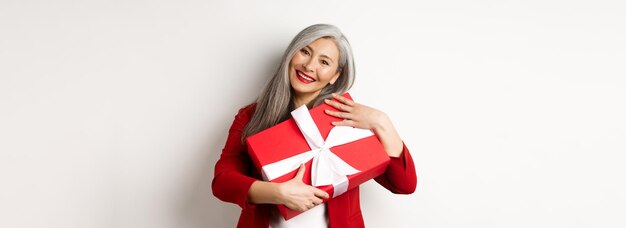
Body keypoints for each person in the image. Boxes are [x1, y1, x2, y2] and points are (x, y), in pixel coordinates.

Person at [212, 24, 417, 228]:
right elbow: (222, 182)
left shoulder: (347, 118)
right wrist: (278, 193)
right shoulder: (252, 116)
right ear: (291, 54)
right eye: (305, 51)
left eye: (324, 62)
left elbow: (404, 185)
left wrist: (382, 122)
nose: (309, 66)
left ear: (336, 75)